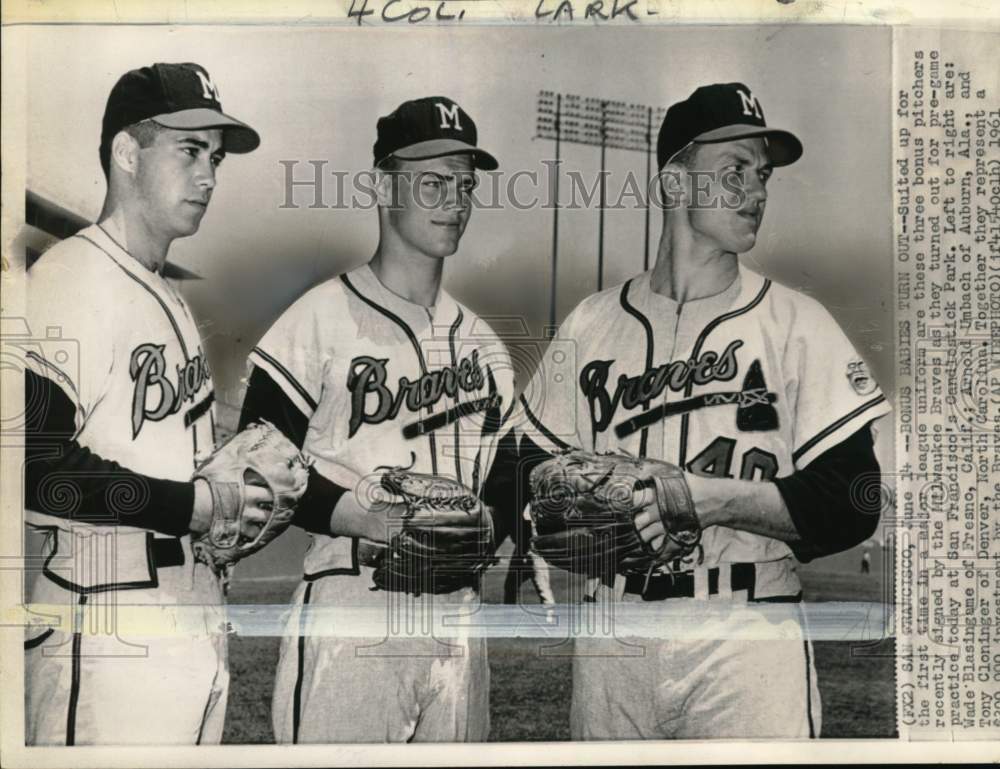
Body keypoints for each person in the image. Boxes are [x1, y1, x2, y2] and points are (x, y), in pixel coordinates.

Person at [497, 82, 890, 738]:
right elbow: (514, 469)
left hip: (747, 631)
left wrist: (708, 498)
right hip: (613, 635)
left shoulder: (797, 322)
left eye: (761, 175)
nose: (757, 191)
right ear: (674, 186)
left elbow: (855, 499)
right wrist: (565, 524)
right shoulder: (592, 323)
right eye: (734, 170)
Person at [239, 96, 515, 742]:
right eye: (434, 182)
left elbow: (508, 471)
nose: (455, 200)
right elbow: (258, 455)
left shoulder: (484, 344)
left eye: (465, 184)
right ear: (381, 185)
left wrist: (490, 525)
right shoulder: (319, 317)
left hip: (459, 614)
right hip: (353, 592)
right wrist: (359, 513)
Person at [23, 62, 262, 744]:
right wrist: (192, 505)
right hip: (106, 620)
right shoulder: (70, 276)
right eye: (189, 151)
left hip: (185, 609)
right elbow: (35, 465)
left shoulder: (167, 296)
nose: (210, 176)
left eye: (215, 158)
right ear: (127, 153)